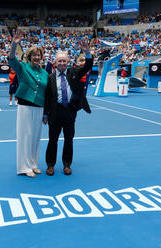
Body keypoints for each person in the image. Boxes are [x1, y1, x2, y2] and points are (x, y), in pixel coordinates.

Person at [43, 39, 93, 176]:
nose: (62, 63)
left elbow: (88, 66)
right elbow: (47, 98)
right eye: (59, 61)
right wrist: (45, 114)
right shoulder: (50, 78)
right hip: (54, 112)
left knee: (68, 140)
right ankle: (50, 165)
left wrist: (87, 51)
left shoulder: (74, 73)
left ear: (68, 63)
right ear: (55, 63)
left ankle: (66, 165)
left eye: (64, 61)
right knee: (52, 140)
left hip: (70, 112)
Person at [9, 29, 48, 178]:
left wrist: (46, 113)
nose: (37, 57)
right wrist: (14, 44)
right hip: (25, 106)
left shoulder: (44, 73)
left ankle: (33, 164)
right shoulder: (23, 67)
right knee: (25, 136)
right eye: (34, 55)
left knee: (36, 137)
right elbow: (12, 60)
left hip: (39, 107)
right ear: (29, 56)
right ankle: (24, 167)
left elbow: (46, 93)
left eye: (39, 55)